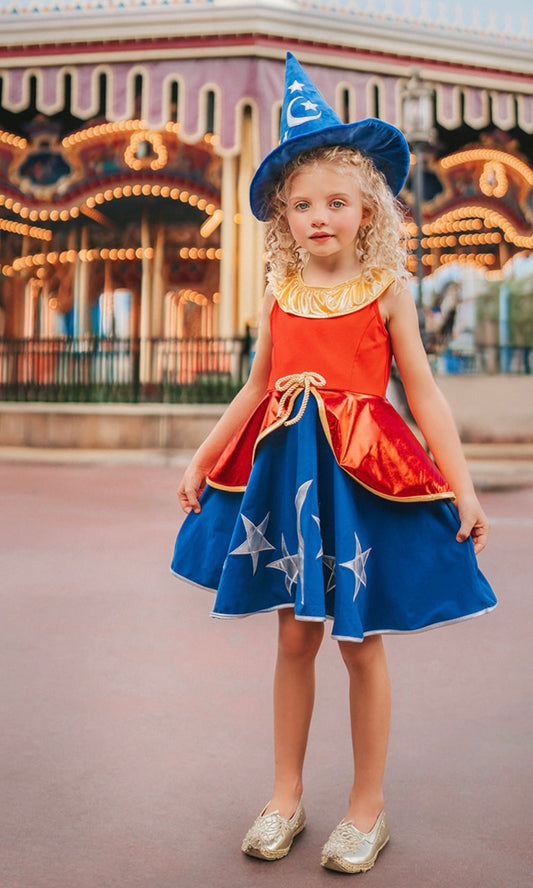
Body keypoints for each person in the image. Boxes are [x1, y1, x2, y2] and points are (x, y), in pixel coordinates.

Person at [171, 53, 496, 874]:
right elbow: (256, 388)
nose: (320, 217)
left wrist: (462, 489)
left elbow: (424, 396)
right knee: (293, 636)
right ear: (283, 216)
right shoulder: (279, 295)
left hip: (360, 480)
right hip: (290, 479)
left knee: (358, 643)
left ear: (366, 210)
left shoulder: (387, 290)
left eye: (336, 203)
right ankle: (284, 796)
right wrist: (204, 457)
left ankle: (366, 807)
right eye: (303, 204)